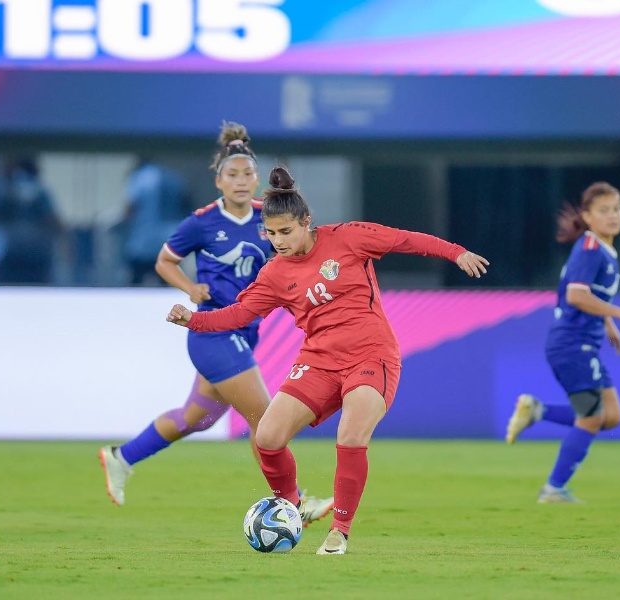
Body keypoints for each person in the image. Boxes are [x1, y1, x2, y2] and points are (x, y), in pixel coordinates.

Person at [166, 165, 489, 555]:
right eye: (271, 234)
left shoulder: (349, 237)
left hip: (371, 354)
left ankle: (339, 532)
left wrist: (456, 252)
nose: (278, 241)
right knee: (268, 437)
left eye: (286, 232)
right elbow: (238, 314)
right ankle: (293, 507)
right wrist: (193, 320)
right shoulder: (274, 274)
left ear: (307, 222)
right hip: (319, 360)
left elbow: (405, 239)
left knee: (350, 435)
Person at [100, 122, 333, 525]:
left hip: (245, 331)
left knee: (197, 417)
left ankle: (122, 456)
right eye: (232, 174)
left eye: (247, 173)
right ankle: (293, 504)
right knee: (265, 419)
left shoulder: (267, 217)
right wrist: (190, 287)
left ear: (257, 179)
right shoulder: (202, 222)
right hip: (213, 332)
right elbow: (164, 261)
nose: (241, 181)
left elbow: (292, 258)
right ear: (218, 180)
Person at [505, 182, 620, 503]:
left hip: (586, 343)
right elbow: (576, 295)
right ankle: (553, 489)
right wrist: (619, 313)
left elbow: (590, 294)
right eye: (604, 210)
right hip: (572, 344)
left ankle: (537, 411)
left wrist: (608, 322)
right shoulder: (590, 249)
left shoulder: (603, 250)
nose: (613, 215)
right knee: (592, 416)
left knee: (611, 416)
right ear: (587, 216)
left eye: (617, 209)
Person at [0, 157, 65, 284]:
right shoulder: (4, 192)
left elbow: (53, 220)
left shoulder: (41, 194)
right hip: (12, 255)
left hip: (36, 257)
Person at [119, 157, 190, 285]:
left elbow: (131, 207)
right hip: (168, 242)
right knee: (165, 286)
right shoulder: (173, 178)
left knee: (134, 285)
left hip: (142, 243)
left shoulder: (140, 178)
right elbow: (186, 205)